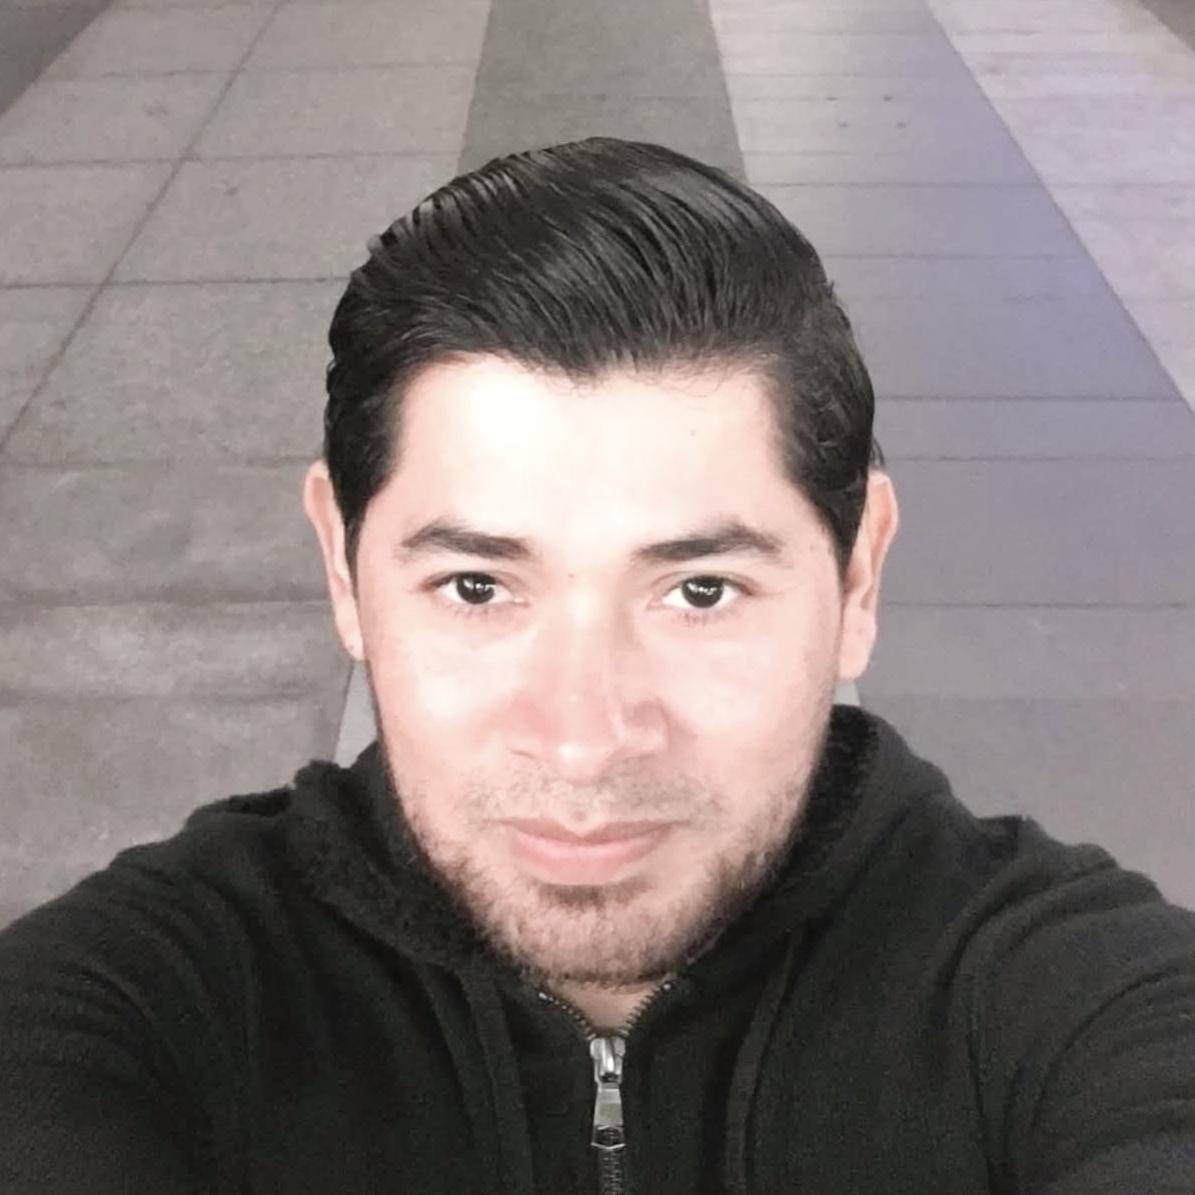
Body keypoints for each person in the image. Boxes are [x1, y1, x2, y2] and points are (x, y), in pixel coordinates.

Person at [1, 137, 1192, 1195]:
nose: (582, 738)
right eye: (477, 587)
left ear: (858, 577)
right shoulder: (127, 1011)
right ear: (342, 569)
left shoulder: (1088, 1004)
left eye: (699, 590)